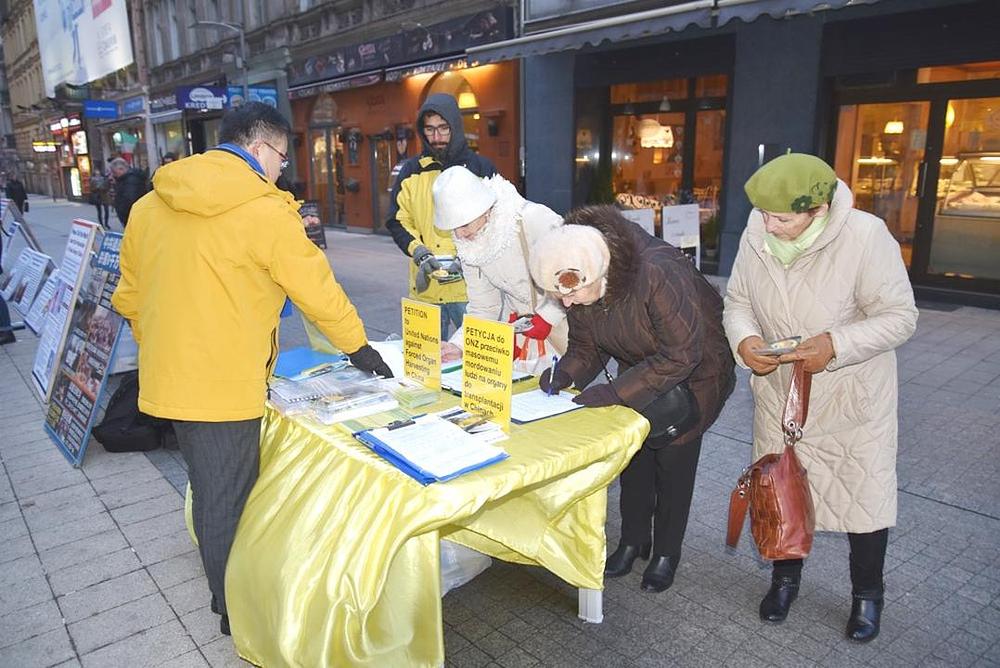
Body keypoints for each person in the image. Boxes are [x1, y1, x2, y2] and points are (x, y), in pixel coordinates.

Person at [111, 102, 391, 637]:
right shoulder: (264, 209)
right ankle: (233, 611)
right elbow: (319, 292)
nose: (283, 168)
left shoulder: (149, 206)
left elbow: (129, 297)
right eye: (282, 157)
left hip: (174, 380)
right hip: (221, 389)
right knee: (224, 500)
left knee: (216, 487)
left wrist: (164, 355)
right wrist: (360, 349)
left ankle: (235, 590)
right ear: (259, 148)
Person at [723, 153, 918, 642]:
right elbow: (738, 301)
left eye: (783, 218)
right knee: (782, 492)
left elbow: (900, 316)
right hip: (780, 396)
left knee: (863, 501)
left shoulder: (866, 236)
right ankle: (785, 581)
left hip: (851, 400)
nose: (771, 226)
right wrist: (745, 342)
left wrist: (836, 344)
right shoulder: (757, 233)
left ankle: (867, 596)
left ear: (820, 208)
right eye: (765, 215)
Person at [530, 207, 736, 592]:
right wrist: (566, 373)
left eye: (572, 294)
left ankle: (666, 553)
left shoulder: (657, 271)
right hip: (641, 365)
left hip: (695, 371)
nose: (569, 304)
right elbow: (585, 345)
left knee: (673, 463)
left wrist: (616, 392)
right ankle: (633, 540)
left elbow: (681, 354)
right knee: (635, 458)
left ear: (599, 271)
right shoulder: (580, 273)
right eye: (560, 297)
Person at [431, 166, 566, 371]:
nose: (459, 234)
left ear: (485, 209)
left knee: (563, 392)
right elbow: (483, 307)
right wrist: (459, 345)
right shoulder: (469, 244)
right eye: (454, 227)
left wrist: (548, 316)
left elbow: (572, 274)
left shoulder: (534, 219)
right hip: (521, 332)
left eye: (465, 224)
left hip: (562, 326)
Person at [385, 93, 496, 338]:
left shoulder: (481, 169)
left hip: (471, 291)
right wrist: (419, 252)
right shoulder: (411, 171)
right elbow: (397, 220)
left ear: (455, 127)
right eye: (430, 130)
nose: (436, 138)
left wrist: (467, 256)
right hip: (425, 290)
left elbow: (497, 220)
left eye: (443, 129)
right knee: (425, 366)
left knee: (476, 362)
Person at [109, 157, 149, 227]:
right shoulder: (126, 179)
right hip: (133, 218)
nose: (113, 175)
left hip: (134, 219)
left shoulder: (131, 181)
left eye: (114, 172)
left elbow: (130, 200)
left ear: (121, 169)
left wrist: (123, 212)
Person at [89, 163, 112, 229]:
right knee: (99, 211)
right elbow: (91, 188)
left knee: (106, 210)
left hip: (104, 195)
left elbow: (108, 186)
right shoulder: (92, 179)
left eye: (98, 171)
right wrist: (96, 188)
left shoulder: (104, 178)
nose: (97, 172)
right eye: (96, 171)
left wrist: (105, 188)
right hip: (97, 196)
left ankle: (106, 223)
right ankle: (101, 224)